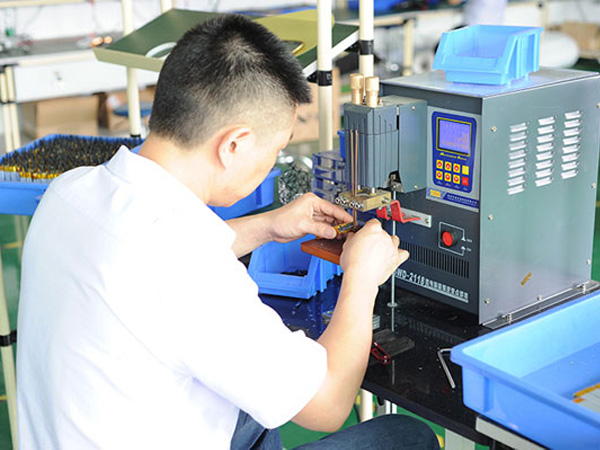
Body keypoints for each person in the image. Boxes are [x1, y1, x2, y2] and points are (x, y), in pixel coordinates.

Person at [16, 14, 439, 449]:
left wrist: (267, 226)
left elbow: (153, 258)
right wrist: (362, 279)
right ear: (233, 144)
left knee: (256, 406)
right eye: (276, 148)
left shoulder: (71, 190)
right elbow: (328, 404)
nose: (274, 159)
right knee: (406, 436)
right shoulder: (191, 268)